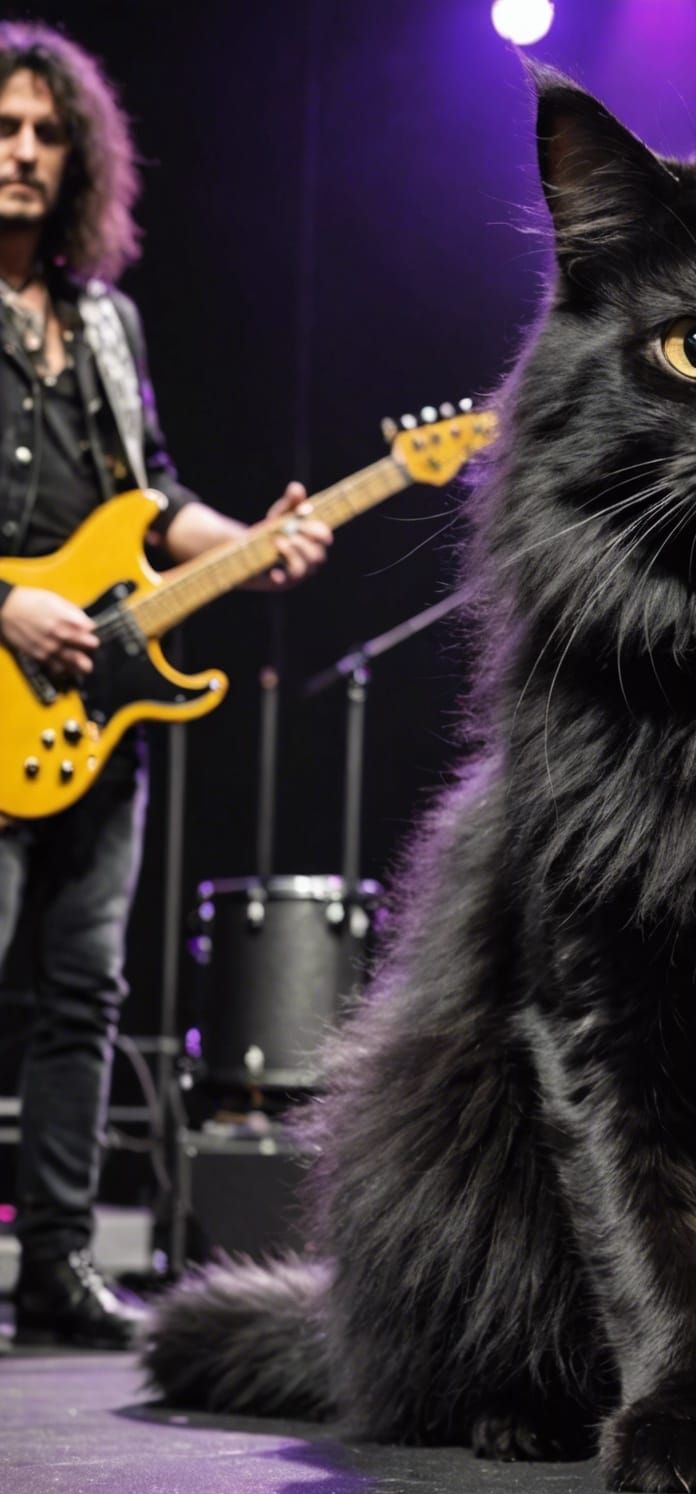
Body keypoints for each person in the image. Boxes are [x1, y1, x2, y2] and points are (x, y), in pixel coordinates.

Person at [0, 22, 331, 1348]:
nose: (21, 154)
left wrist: (257, 549)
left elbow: (153, 500)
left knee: (87, 990)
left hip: (97, 712)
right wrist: (6, 602)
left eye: (45, 133)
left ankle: (58, 1266)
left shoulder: (105, 320)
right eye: (3, 128)